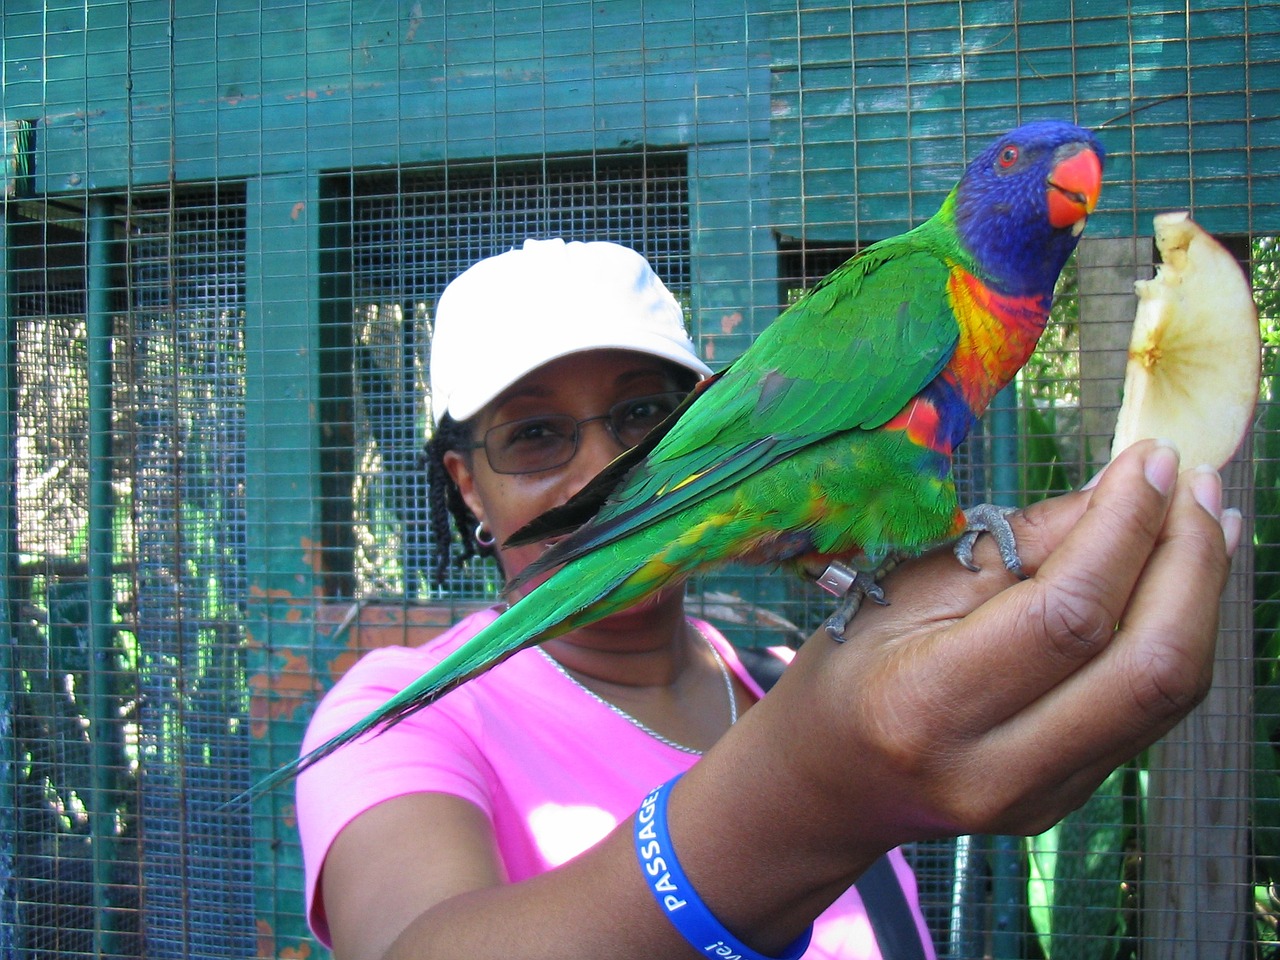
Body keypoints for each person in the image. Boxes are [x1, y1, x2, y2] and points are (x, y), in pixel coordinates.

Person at [296, 238, 1240, 960]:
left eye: (641, 417)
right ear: (465, 485)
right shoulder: (395, 712)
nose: (605, 465)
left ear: (702, 407)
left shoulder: (779, 673)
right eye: (536, 434)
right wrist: (812, 794)